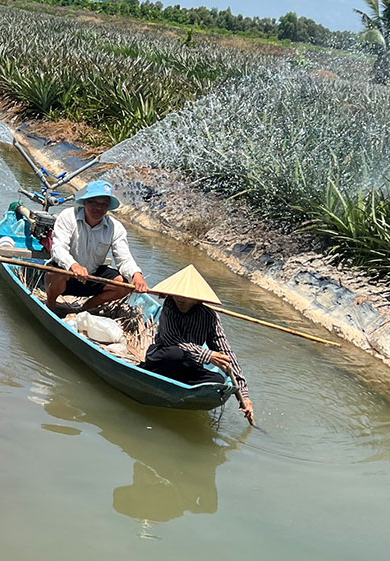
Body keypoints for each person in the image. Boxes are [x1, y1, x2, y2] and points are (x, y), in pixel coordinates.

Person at [140, 265, 255, 425]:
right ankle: (145, 373)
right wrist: (208, 355)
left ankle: (183, 390)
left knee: (218, 379)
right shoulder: (169, 306)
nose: (180, 299)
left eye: (186, 297)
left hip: (187, 366)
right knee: (176, 354)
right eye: (177, 295)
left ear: (197, 299)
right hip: (162, 358)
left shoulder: (210, 317)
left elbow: (226, 353)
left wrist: (244, 395)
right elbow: (173, 340)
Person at [46, 180, 149, 312]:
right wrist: (74, 266)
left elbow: (124, 259)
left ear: (108, 207)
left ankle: (88, 306)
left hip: (92, 276)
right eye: (93, 202)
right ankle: (51, 305)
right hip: (67, 274)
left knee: (125, 285)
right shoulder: (68, 216)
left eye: (103, 204)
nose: (98, 208)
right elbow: (58, 249)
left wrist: (136, 275)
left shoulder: (115, 228)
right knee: (56, 272)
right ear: (84, 202)